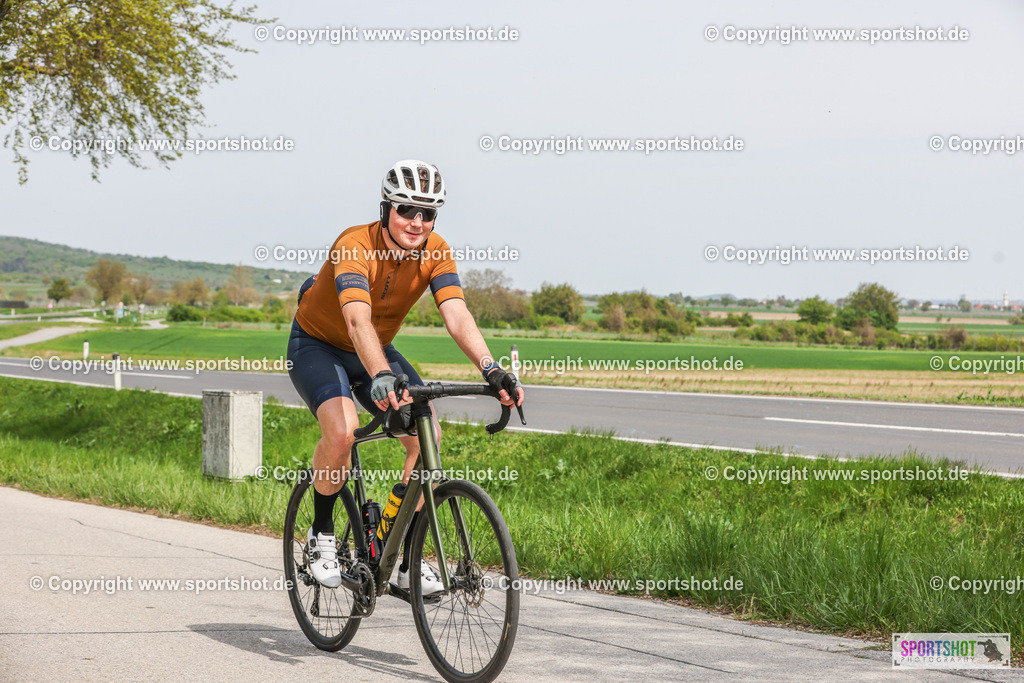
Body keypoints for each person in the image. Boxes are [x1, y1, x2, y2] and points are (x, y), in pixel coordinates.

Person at [287, 159, 524, 593]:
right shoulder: (354, 244)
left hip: (374, 346)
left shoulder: (436, 251)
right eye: (406, 210)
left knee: (427, 435)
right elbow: (357, 322)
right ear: (385, 209)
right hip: (319, 344)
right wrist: (380, 375)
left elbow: (457, 315)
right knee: (343, 432)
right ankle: (321, 533)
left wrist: (492, 368)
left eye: (428, 213)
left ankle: (402, 560)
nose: (417, 222)